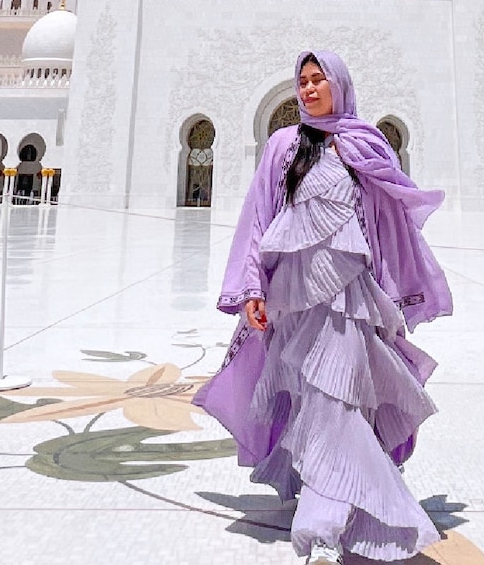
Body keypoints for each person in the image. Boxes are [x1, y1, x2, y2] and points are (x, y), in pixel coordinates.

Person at [194, 51, 453, 564]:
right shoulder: (283, 145)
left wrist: (398, 291)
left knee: (342, 399)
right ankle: (342, 506)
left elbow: (390, 220)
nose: (309, 90)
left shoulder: (364, 144)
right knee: (315, 401)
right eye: (303, 82)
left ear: (340, 84)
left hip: (351, 298)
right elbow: (259, 217)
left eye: (319, 81)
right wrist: (252, 288)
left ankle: (328, 520)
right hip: (296, 296)